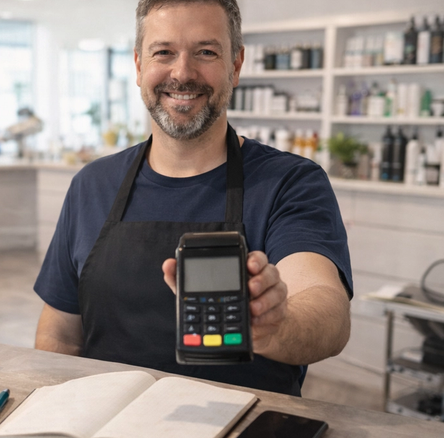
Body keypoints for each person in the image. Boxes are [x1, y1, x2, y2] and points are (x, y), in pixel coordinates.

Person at [33, 0, 352, 396]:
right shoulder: (92, 184)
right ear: (138, 65)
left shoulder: (290, 182)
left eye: (206, 52)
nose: (182, 74)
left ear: (235, 65)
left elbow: (327, 310)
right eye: (163, 52)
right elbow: (61, 333)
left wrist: (275, 325)